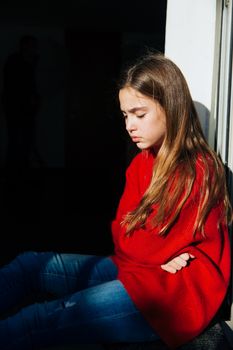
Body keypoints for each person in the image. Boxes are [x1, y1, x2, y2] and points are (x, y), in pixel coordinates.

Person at [0, 52, 232, 350]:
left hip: (170, 296)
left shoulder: (198, 168)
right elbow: (124, 237)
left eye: (139, 114)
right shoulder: (140, 164)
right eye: (125, 115)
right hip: (134, 269)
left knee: (39, 319)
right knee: (28, 265)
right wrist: (162, 250)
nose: (129, 126)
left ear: (170, 108)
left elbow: (149, 243)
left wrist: (158, 247)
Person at [2, 35, 40, 168]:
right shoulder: (15, 62)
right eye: (33, 46)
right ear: (25, 46)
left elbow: (31, 89)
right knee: (17, 144)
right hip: (17, 112)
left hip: (26, 112)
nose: (35, 49)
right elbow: (16, 88)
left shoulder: (29, 64)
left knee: (24, 145)